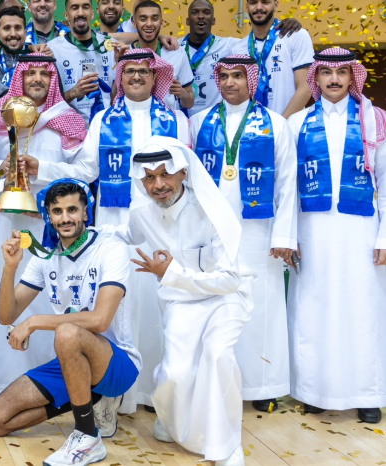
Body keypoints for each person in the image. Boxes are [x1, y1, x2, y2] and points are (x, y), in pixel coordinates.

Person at [47, 48, 189, 418]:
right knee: (119, 310)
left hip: (162, 229)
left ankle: (160, 395)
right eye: (129, 72)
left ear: (155, 77)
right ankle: (114, 396)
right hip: (115, 229)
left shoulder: (176, 120)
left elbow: (187, 175)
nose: (137, 77)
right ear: (120, 78)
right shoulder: (102, 120)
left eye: (144, 71)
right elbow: (85, 170)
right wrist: (43, 169)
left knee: (160, 308)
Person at [0, 179, 139, 466]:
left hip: (118, 363)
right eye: (57, 211)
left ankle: (87, 436)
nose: (65, 218)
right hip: (73, 363)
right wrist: (10, 267)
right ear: (48, 216)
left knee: (67, 332)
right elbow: (6, 316)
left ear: (86, 213)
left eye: (72, 210)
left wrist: (35, 321)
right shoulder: (45, 256)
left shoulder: (111, 248)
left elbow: (100, 320)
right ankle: (91, 401)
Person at [118, 137, 251, 466]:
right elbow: (126, 235)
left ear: (183, 173)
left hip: (224, 300)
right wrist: (79, 230)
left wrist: (171, 273)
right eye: (149, 177)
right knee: (176, 374)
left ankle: (226, 446)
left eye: (166, 174)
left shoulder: (212, 211)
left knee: (218, 356)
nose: (158, 185)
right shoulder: (141, 212)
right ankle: (170, 417)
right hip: (180, 303)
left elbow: (230, 279)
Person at [189, 55, 297, 412]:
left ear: (252, 80)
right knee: (213, 305)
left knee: (260, 306)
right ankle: (215, 384)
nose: (230, 82)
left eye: (238, 76)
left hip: (258, 232)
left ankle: (263, 385)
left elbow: (287, 184)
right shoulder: (199, 122)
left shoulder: (276, 125)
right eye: (224, 76)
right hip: (210, 232)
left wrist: (283, 236)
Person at [0, 54, 88, 396]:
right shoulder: (3, 113)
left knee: (46, 295)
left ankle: (49, 382)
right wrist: (4, 174)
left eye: (45, 73)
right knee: (4, 288)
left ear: (54, 79)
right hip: (6, 220)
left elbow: (87, 171)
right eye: (31, 73)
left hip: (50, 223)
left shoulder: (68, 119)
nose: (37, 79)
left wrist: (44, 170)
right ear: (20, 78)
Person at [286, 47, 386, 423]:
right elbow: (288, 188)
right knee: (314, 309)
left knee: (363, 310)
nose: (333, 79)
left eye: (341, 72)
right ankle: (315, 391)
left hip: (362, 232)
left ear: (352, 77)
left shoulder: (375, 120)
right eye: (326, 72)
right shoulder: (297, 123)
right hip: (312, 230)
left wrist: (384, 237)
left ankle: (367, 393)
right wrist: (289, 235)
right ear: (316, 78)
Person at [231, 0, 314, 118]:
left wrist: (281, 124)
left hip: (289, 125)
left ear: (276, 5)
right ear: (247, 6)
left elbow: (306, 87)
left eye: (265, 2)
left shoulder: (296, 36)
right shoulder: (238, 49)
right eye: (253, 2)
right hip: (252, 126)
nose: (259, 7)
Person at [49, 0, 129, 122]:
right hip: (69, 127)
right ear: (66, 15)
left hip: (105, 124)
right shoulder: (52, 50)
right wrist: (73, 93)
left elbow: (115, 97)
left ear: (92, 14)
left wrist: (121, 65)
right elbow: (48, 103)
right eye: (75, 8)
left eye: (85, 7)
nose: (80, 13)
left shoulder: (111, 46)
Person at [128, 0, 195, 111]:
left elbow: (190, 103)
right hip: (133, 119)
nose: (149, 24)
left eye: (154, 19)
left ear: (162, 22)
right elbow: (114, 99)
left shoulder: (177, 53)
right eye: (143, 19)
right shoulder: (126, 53)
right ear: (134, 23)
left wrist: (182, 93)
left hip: (167, 121)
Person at [0, 7, 33, 87]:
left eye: (18, 28)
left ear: (25, 33)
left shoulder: (37, 62)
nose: (13, 34)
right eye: (6, 28)